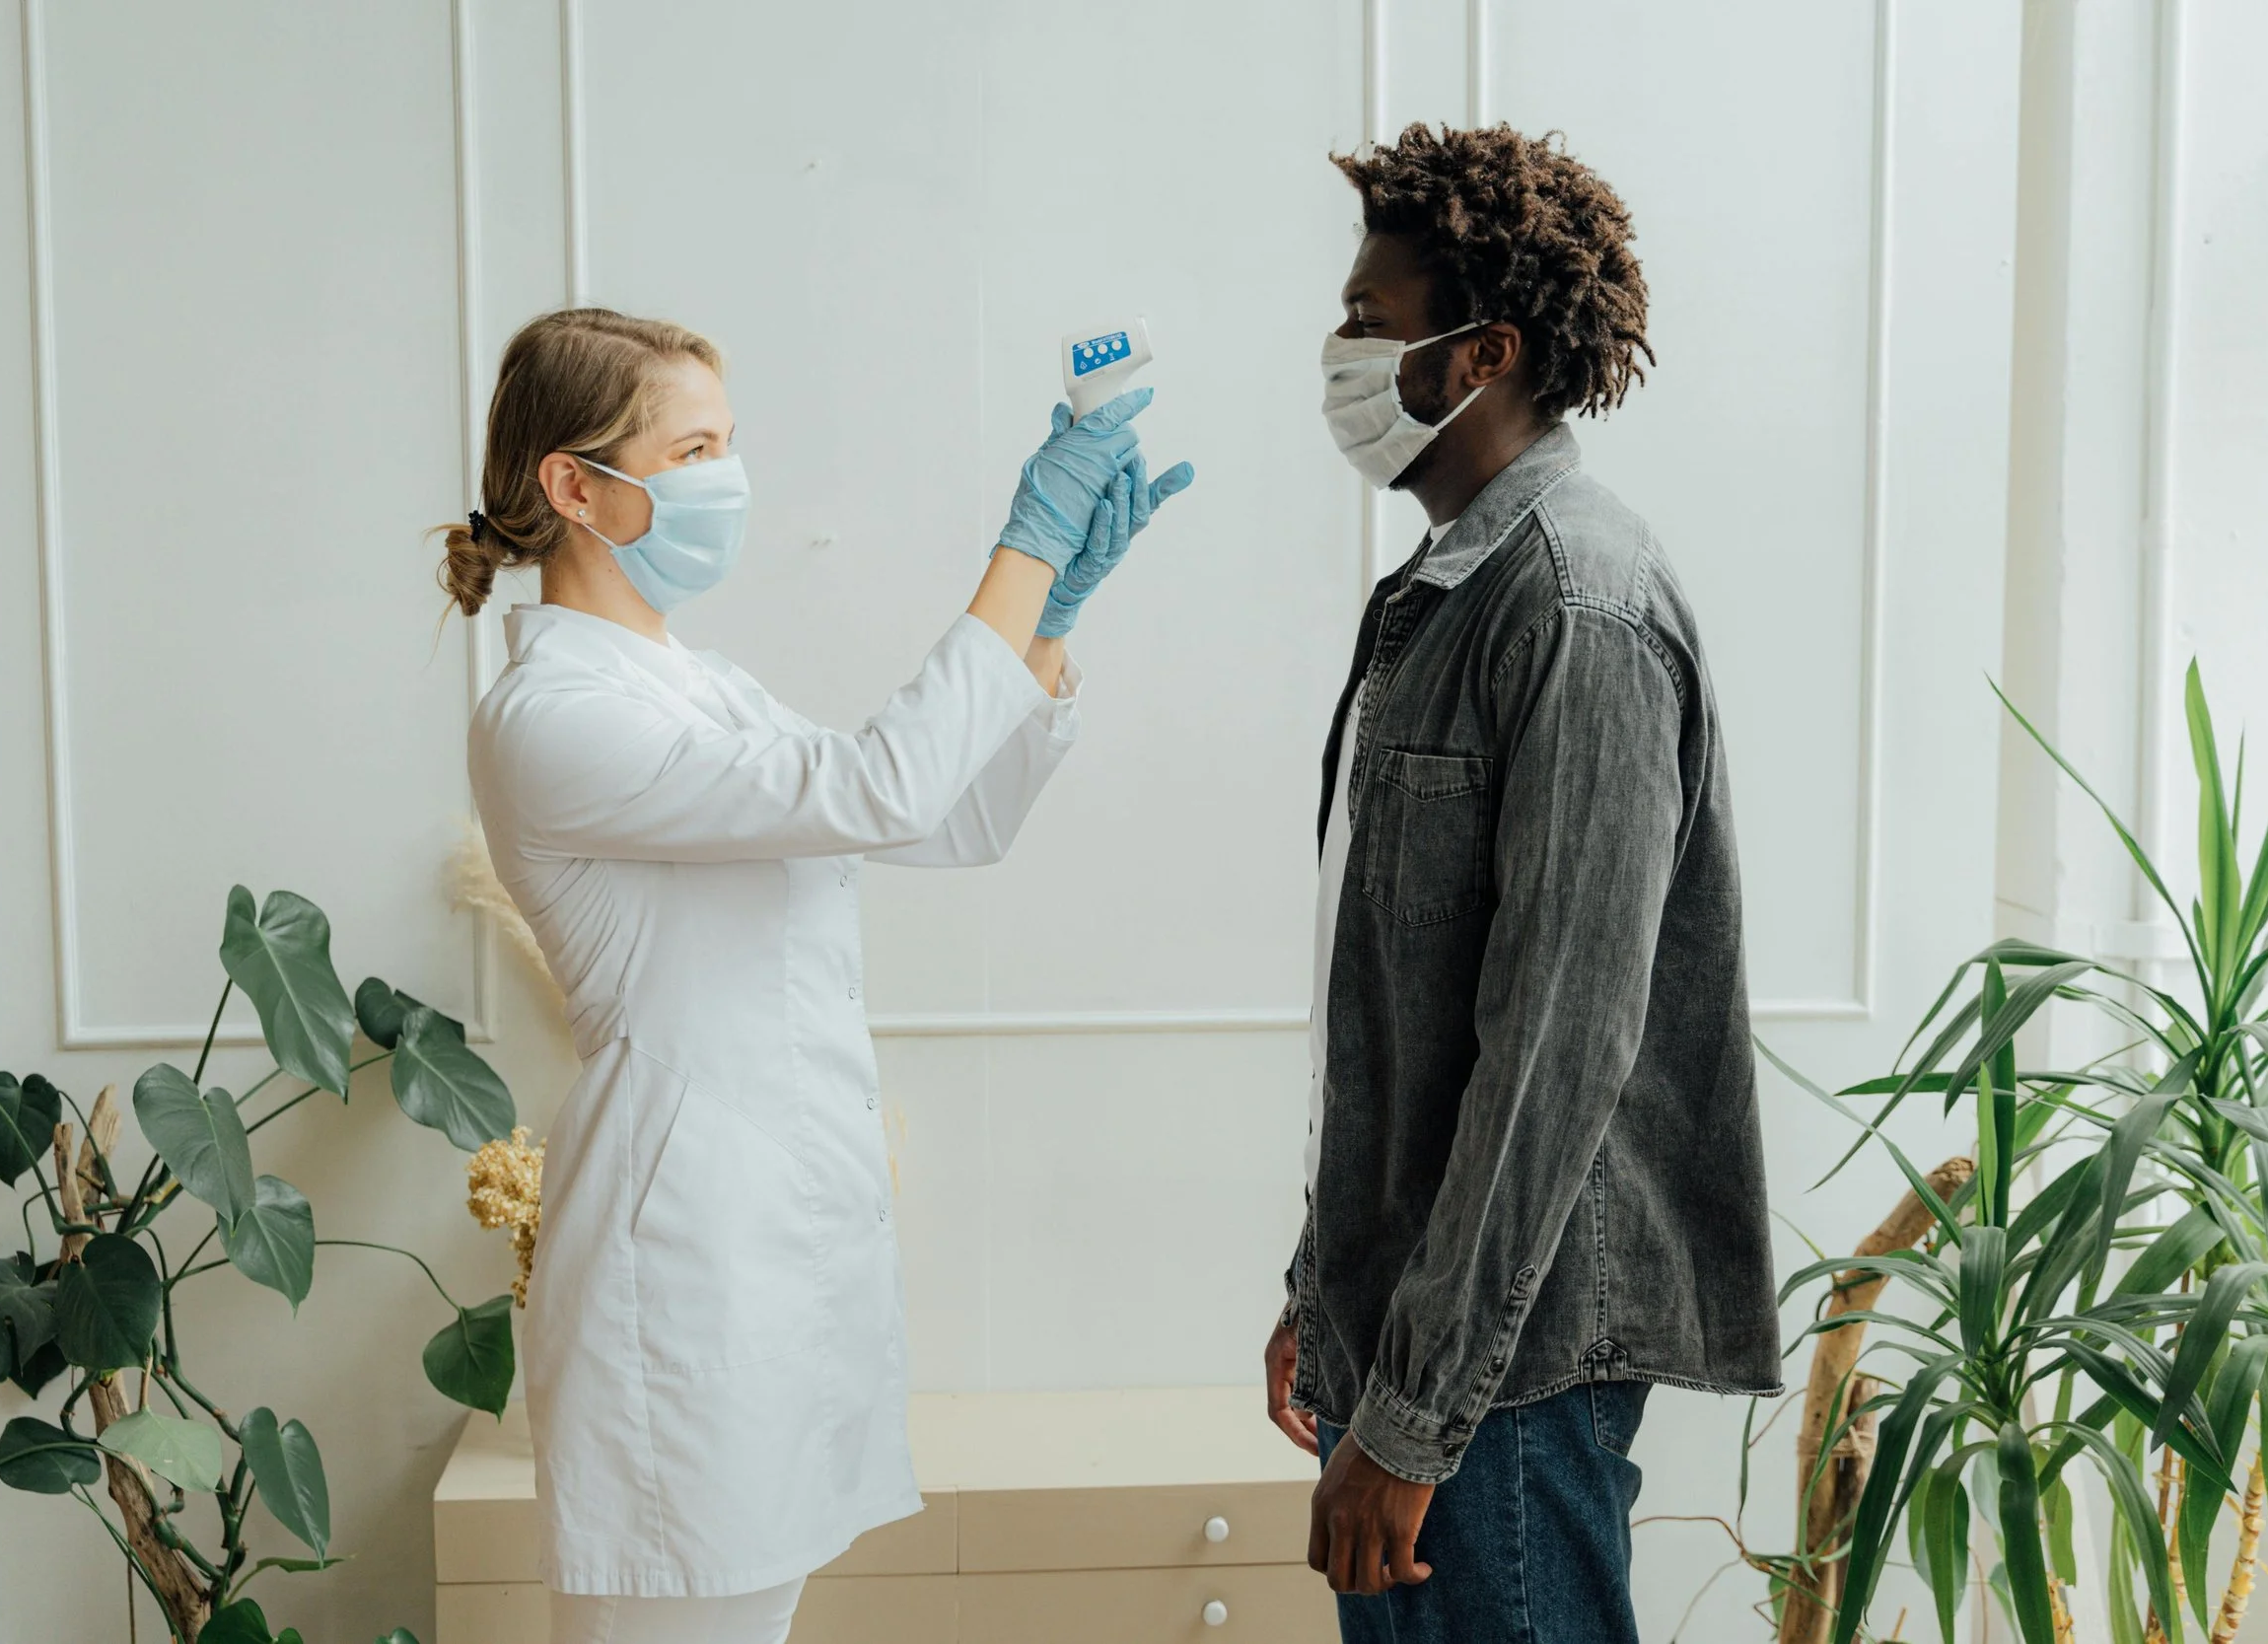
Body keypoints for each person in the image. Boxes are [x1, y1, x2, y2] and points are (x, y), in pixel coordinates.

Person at [448, 307, 1190, 1644]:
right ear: (572, 483)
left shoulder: (701, 686)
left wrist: (1049, 623)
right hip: (676, 1283)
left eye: (729, 443)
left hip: (769, 1259)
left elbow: (935, 819)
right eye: (690, 447)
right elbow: (878, 781)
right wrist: (1022, 547)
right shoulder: (555, 714)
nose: (724, 476)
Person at [1263, 124, 1782, 1643]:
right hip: (1426, 1337)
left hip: (1507, 1372)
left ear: (1479, 351)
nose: (1341, 349)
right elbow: (1389, 1002)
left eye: (1370, 318)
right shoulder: (1441, 594)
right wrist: (1330, 1282)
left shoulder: (1580, 608)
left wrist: (1417, 1413)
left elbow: (1557, 1049)